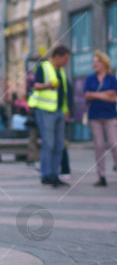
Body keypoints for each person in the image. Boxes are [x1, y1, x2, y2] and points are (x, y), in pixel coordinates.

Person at [28, 45, 71, 187]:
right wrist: (48, 86)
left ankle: (54, 174)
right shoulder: (44, 67)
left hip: (58, 110)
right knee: (49, 144)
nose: (66, 62)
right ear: (58, 56)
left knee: (59, 145)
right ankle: (46, 175)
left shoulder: (61, 71)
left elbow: (63, 92)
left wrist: (66, 109)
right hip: (45, 110)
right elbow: (36, 86)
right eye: (65, 59)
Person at [84, 51, 117, 188]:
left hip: (110, 116)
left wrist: (95, 94)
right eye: (94, 62)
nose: (95, 64)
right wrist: (105, 94)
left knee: (115, 145)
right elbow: (87, 96)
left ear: (104, 63)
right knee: (99, 146)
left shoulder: (111, 79)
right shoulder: (90, 78)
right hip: (95, 116)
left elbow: (114, 97)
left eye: (97, 61)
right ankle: (101, 176)